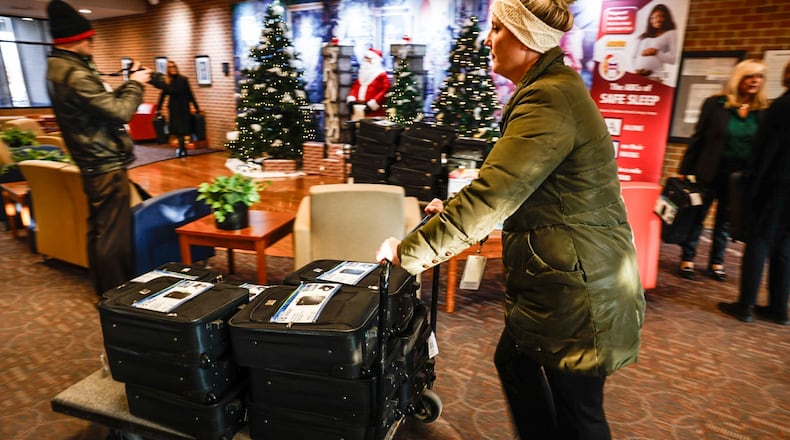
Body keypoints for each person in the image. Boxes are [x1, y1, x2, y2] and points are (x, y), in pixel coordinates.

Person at [376, 0, 645, 438]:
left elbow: (494, 196)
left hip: (580, 290)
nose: (488, 39)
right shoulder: (551, 88)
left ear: (528, 40)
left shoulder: (549, 97)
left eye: (498, 29)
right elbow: (524, 185)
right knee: (516, 363)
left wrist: (408, 253)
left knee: (579, 410)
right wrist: (458, 211)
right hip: (567, 279)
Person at [46, 0, 151, 295]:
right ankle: (115, 293)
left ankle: (105, 288)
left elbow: (98, 108)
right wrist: (136, 84)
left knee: (100, 228)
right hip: (103, 162)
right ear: (76, 40)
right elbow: (120, 112)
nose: (93, 44)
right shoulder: (75, 74)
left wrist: (123, 87)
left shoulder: (60, 67)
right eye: (89, 39)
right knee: (112, 233)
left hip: (93, 160)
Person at [677, 59, 768, 281]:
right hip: (710, 171)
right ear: (739, 78)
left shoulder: (763, 111)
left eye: (759, 77)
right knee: (698, 215)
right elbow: (698, 137)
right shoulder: (715, 104)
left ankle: (717, 262)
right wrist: (685, 168)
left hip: (739, 178)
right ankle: (687, 258)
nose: (755, 81)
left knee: (725, 222)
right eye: (750, 76)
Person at [719, 60, 790, 325]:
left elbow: (765, 153)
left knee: (758, 242)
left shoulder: (781, 107)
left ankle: (745, 305)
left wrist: (752, 189)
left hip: (774, 188)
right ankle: (779, 310)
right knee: (784, 247)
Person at [156, 61, 200, 158]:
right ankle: (182, 148)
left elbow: (190, 93)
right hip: (174, 107)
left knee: (184, 129)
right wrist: (158, 108)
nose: (173, 69)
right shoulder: (167, 81)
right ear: (168, 70)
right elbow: (162, 95)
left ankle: (182, 148)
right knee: (178, 129)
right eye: (171, 67)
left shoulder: (183, 79)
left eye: (174, 67)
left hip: (183, 106)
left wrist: (196, 106)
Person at [631, 4, 677, 82]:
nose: (657, 20)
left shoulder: (671, 34)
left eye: (661, 16)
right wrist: (636, 70)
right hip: (638, 76)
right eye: (653, 17)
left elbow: (673, 60)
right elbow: (634, 56)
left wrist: (656, 53)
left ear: (667, 18)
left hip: (655, 77)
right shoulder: (644, 36)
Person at [346, 48, 390, 118]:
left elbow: (385, 90)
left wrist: (373, 104)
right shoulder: (362, 74)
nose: (365, 61)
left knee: (370, 127)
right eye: (365, 58)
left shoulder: (381, 75)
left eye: (368, 58)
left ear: (374, 60)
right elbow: (355, 87)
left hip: (373, 111)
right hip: (358, 108)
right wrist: (351, 100)